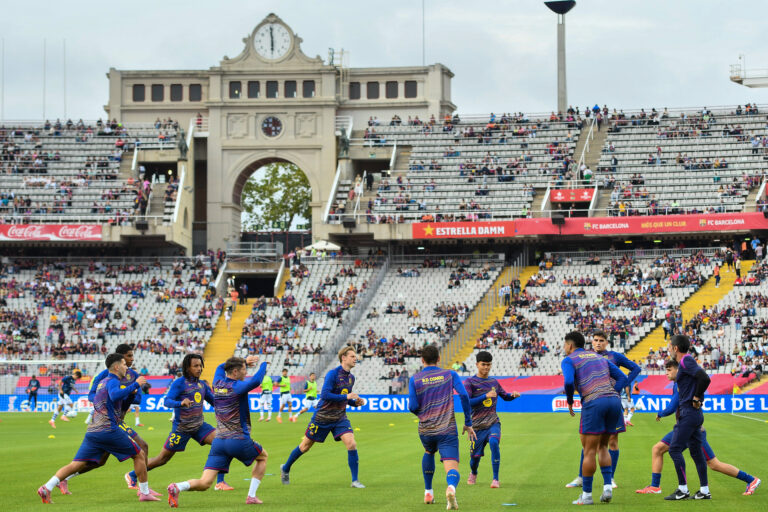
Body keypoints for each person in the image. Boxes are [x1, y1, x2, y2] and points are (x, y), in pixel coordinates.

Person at [37, 353, 158, 503]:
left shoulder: (103, 383)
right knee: (139, 454)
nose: (127, 367)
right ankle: (145, 493)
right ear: (116, 366)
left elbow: (118, 404)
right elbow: (114, 396)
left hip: (93, 431)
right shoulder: (112, 381)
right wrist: (135, 385)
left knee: (76, 464)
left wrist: (131, 395)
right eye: (124, 364)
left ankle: (46, 487)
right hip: (108, 430)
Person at [636, 359, 761, 496]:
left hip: (691, 430)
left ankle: (751, 479)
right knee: (658, 449)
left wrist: (661, 413)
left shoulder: (681, 384)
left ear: (679, 370)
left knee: (714, 464)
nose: (666, 373)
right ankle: (655, 486)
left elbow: (673, 406)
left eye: (669, 370)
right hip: (684, 427)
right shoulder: (677, 384)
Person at [167, 355, 269, 507]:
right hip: (238, 439)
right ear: (235, 372)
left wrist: (243, 361)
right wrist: (264, 365)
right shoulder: (237, 387)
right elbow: (256, 381)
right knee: (263, 457)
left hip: (219, 442)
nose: (245, 373)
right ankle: (251, 496)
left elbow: (221, 367)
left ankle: (178, 487)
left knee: (205, 483)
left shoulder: (217, 381)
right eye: (244, 369)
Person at [126, 355, 233, 492]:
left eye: (200, 365)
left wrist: (229, 405)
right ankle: (132, 474)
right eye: (195, 366)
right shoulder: (179, 383)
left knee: (223, 443)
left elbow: (215, 403)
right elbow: (167, 401)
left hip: (199, 426)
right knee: (162, 459)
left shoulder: (202, 385)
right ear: (187, 368)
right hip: (181, 429)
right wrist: (180, 403)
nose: (199, 368)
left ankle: (220, 482)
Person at [280, 346, 366, 488]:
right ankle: (286, 468)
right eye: (352, 356)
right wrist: (347, 396)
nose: (355, 358)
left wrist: (355, 403)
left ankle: (355, 480)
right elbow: (325, 395)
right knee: (305, 446)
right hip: (322, 417)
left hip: (340, 418)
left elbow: (343, 398)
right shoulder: (332, 374)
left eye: (355, 356)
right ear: (343, 358)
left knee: (351, 443)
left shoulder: (351, 378)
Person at [566, 331, 641, 489]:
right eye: (595, 340)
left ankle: (610, 478)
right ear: (591, 341)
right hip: (596, 400)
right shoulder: (589, 356)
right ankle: (581, 477)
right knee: (589, 441)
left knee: (612, 442)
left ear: (607, 342)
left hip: (610, 398)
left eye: (601, 340)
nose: (598, 343)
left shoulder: (614, 356)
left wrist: (618, 388)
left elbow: (635, 368)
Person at [408, 344, 476, 509]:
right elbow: (465, 396)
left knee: (429, 451)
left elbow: (412, 406)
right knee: (451, 466)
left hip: (426, 430)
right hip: (447, 429)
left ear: (422, 360)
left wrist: (423, 415)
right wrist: (468, 422)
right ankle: (451, 488)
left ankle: (428, 492)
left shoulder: (414, 379)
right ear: (439, 359)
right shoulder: (450, 374)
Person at [81, 344, 149, 490]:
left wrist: (125, 396)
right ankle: (66, 476)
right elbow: (92, 395)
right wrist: (106, 400)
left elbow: (138, 398)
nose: (132, 359)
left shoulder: (133, 376)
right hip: (107, 421)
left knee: (103, 461)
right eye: (129, 356)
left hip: (119, 419)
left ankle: (135, 477)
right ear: (120, 360)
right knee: (101, 461)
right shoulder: (105, 375)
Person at [663, 334, 712, 500]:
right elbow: (699, 379)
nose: (669, 349)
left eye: (670, 346)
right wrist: (697, 398)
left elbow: (704, 378)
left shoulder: (685, 360)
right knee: (696, 453)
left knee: (675, 449)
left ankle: (683, 490)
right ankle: (704, 491)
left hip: (689, 413)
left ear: (675, 348)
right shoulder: (686, 362)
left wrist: (697, 397)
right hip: (694, 414)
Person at [463, 351, 519, 488]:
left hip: (493, 422)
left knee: (494, 442)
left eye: (488, 365)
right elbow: (468, 402)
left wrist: (513, 395)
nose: (486, 367)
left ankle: (495, 479)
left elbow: (505, 396)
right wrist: (485, 396)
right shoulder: (469, 382)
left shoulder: (494, 382)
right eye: (483, 364)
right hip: (476, 426)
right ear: (477, 364)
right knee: (474, 459)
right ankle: (474, 472)